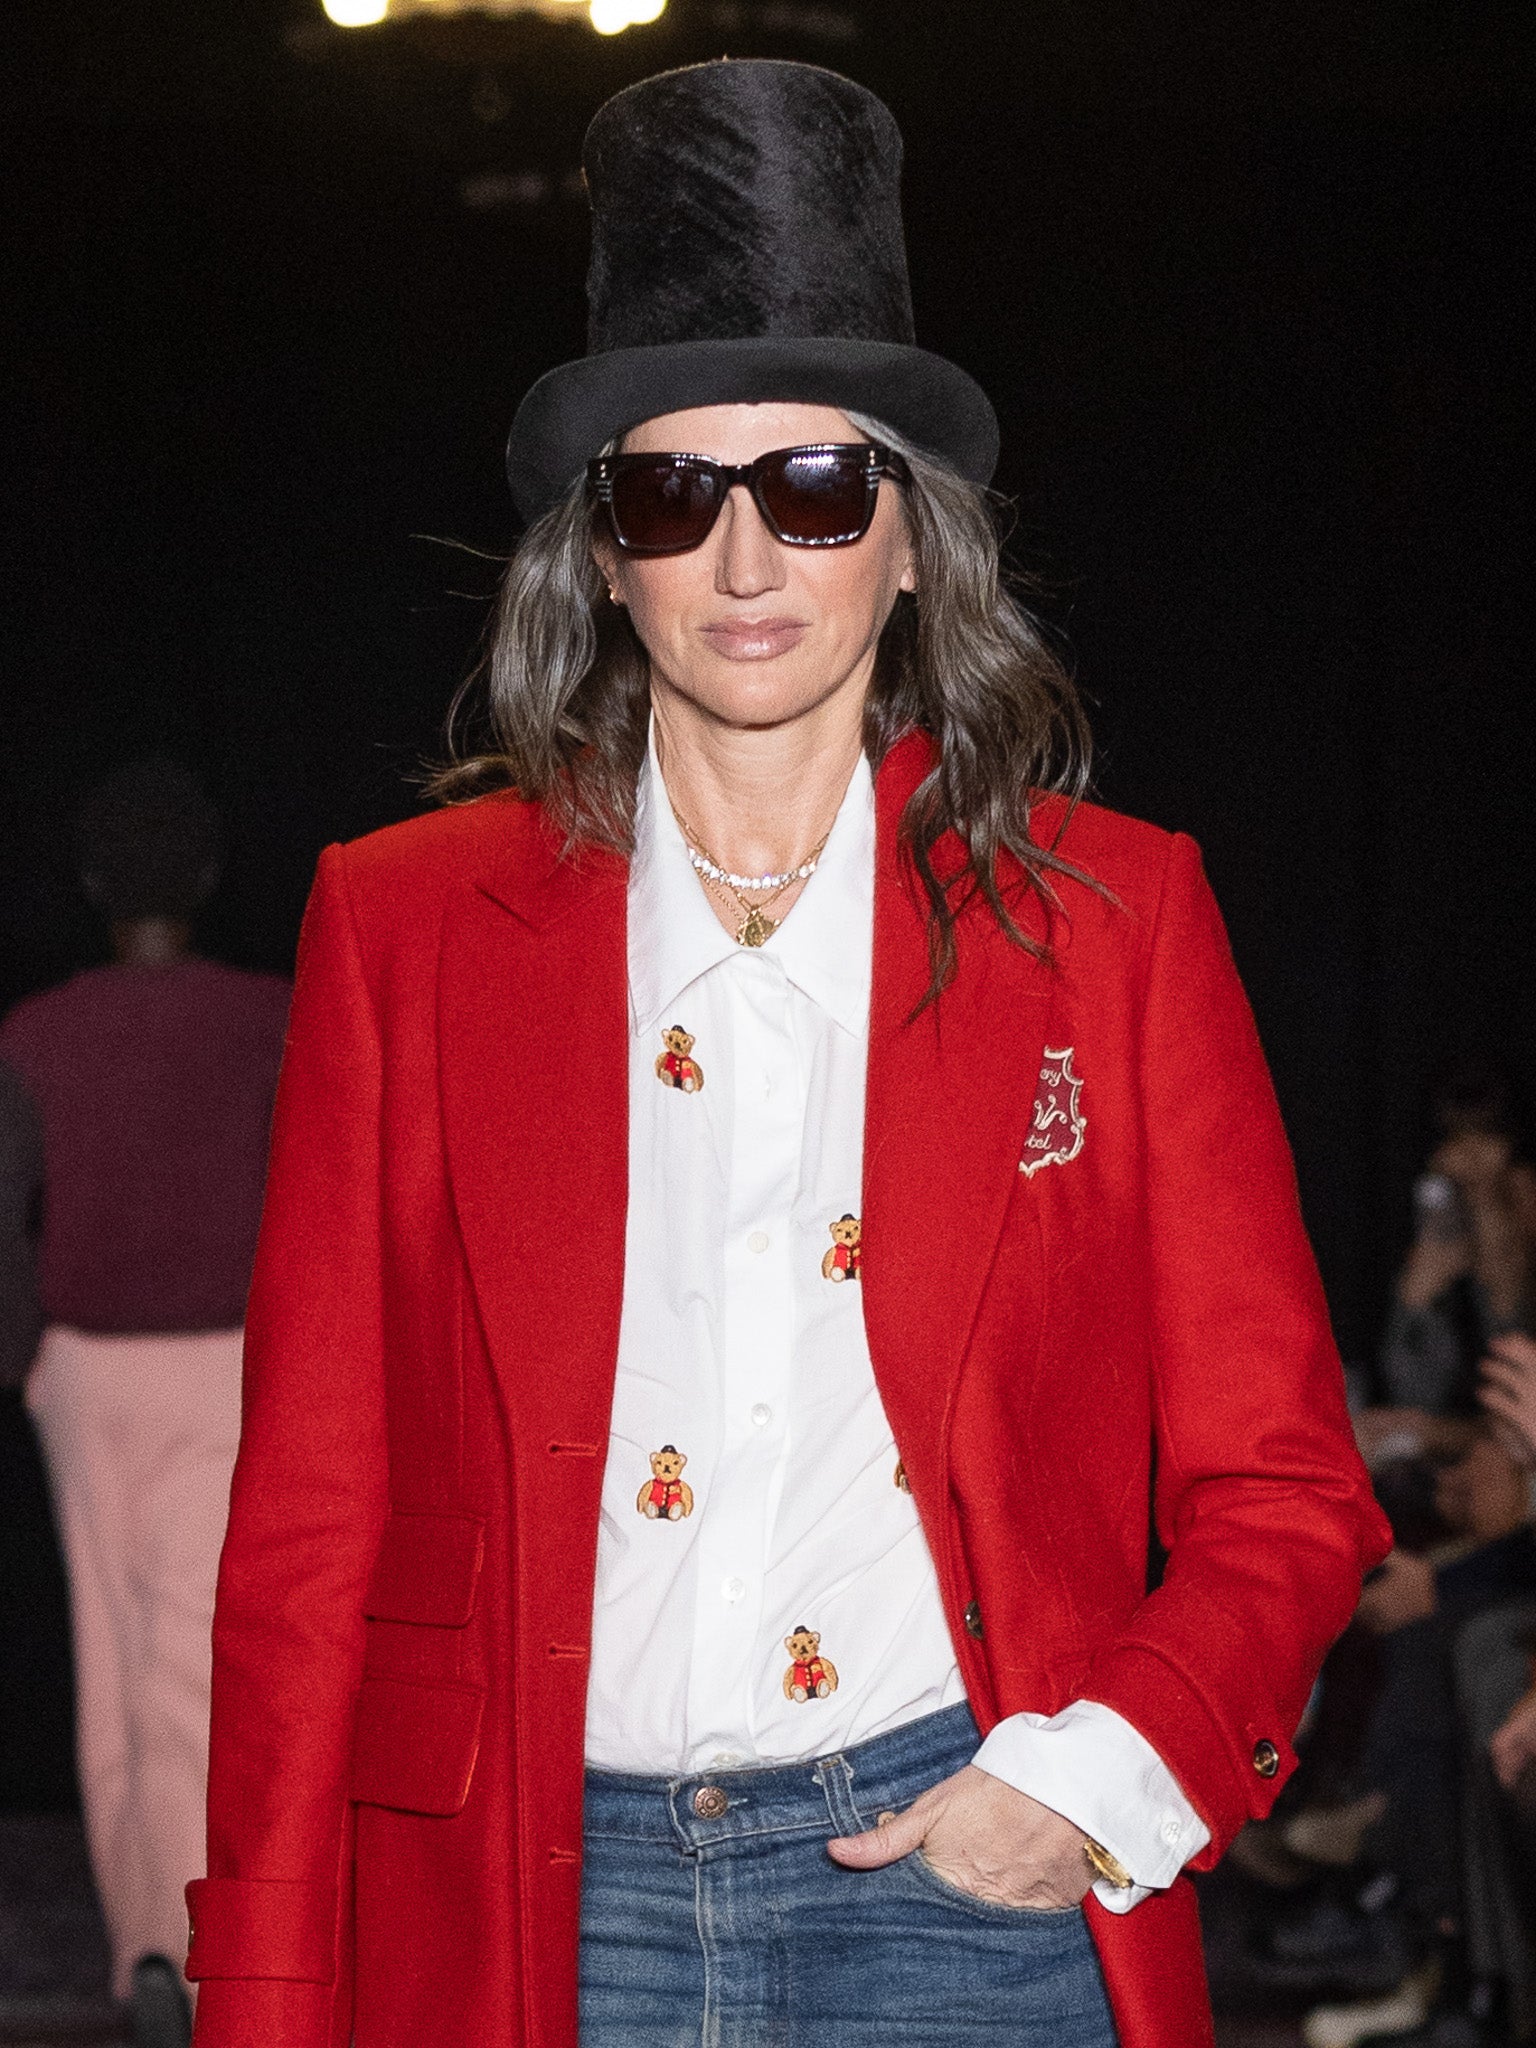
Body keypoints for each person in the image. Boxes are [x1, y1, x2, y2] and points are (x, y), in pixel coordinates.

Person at [185, 60, 1389, 2048]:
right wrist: (263, 1995)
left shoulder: (1112, 919)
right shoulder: (402, 925)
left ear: (910, 542)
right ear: (606, 553)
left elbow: (1285, 1485)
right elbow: (308, 1538)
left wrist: (1099, 1773)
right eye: (676, 493)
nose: (747, 564)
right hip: (535, 1906)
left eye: (816, 486)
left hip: (955, 1887)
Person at [0, 758, 291, 2048]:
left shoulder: (36, 1032)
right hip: (227, 1363)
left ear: (89, 884)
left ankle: (147, 1957)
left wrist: (26, 1359)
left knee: (113, 1664)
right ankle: (188, 1956)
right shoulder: (272, 1016)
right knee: (191, 1661)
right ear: (211, 876)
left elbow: (5, 1216)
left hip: (83, 1374)